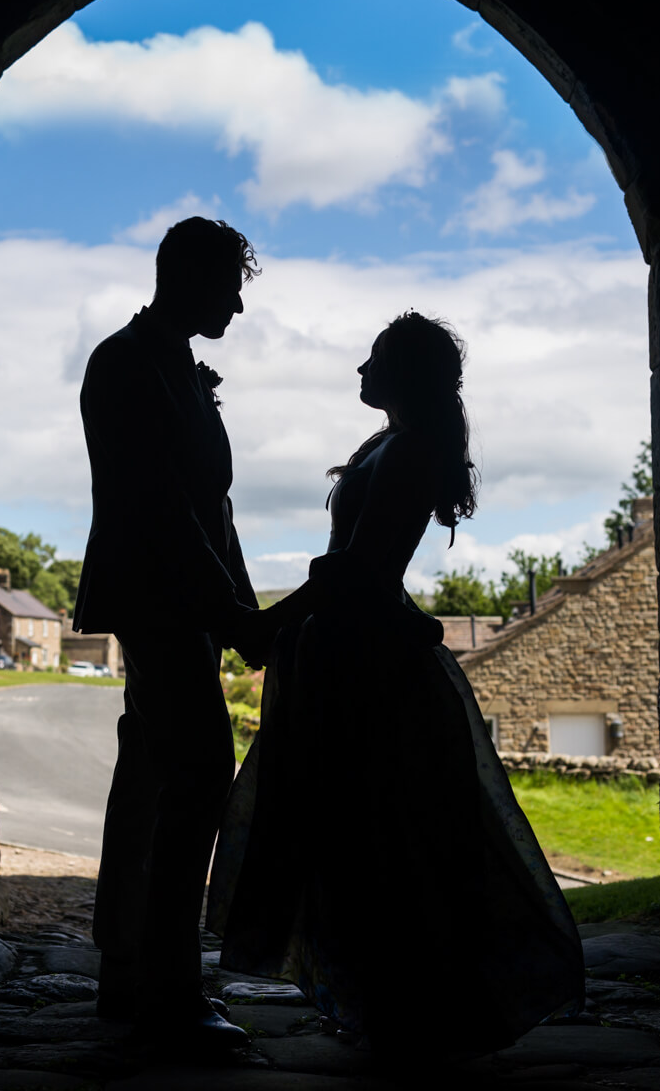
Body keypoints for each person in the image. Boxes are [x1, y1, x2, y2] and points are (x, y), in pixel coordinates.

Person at [206, 311, 583, 1060]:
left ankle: (408, 1007)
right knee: (362, 835)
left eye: (374, 357)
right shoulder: (390, 444)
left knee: (384, 835)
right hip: (353, 651)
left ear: (405, 371)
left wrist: (266, 624)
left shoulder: (409, 451)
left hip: (371, 666)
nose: (359, 370)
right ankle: (385, 1002)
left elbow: (360, 569)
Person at [73, 216, 269, 1050]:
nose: (236, 303)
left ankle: (127, 968)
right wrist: (228, 610)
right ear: (185, 274)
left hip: (187, 600)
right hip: (157, 598)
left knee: (151, 777)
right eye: (229, 285)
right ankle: (169, 988)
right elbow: (157, 505)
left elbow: (213, 508)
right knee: (197, 777)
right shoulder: (126, 364)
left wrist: (243, 606)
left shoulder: (180, 368)